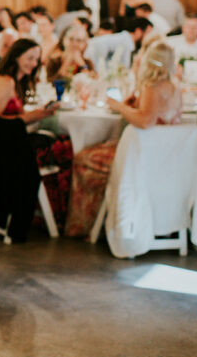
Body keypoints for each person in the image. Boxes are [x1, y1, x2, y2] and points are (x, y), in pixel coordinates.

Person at [65, 42, 184, 236]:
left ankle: (87, 226)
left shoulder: (152, 86)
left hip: (141, 158)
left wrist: (117, 106)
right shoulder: (174, 87)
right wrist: (131, 105)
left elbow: (146, 121)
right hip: (164, 157)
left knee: (83, 159)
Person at [0, 38, 71, 226]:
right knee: (65, 149)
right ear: (16, 57)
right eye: (29, 58)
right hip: (2, 146)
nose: (34, 63)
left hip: (14, 140)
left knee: (64, 142)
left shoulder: (17, 83)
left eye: (36, 59)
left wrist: (38, 114)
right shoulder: (4, 82)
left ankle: (53, 212)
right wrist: (34, 116)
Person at [85, 17, 152, 70]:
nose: (149, 37)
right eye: (148, 33)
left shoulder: (126, 40)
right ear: (138, 31)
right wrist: (99, 69)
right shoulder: (125, 40)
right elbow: (99, 43)